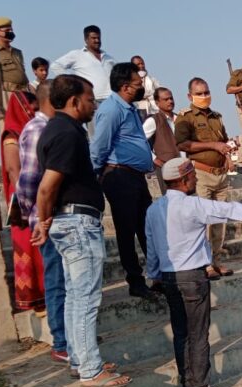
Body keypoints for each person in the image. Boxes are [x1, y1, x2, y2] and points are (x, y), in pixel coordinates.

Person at [145, 158, 242, 387]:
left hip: (169, 277)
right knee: (198, 334)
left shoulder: (154, 209)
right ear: (184, 179)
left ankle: (188, 382)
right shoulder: (193, 205)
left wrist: (154, 275)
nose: (196, 179)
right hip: (192, 277)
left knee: (181, 333)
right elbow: (228, 210)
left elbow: (152, 247)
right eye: (193, 177)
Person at [32, 74, 130, 387]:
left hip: (71, 221)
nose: (93, 105)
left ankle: (80, 361)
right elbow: (47, 187)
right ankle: (90, 369)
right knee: (85, 299)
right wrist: (43, 220)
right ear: (74, 101)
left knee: (75, 298)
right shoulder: (66, 133)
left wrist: (47, 220)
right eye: (90, 99)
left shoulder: (58, 129)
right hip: (76, 223)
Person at [90, 62, 155, 298]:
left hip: (135, 176)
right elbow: (99, 147)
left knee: (146, 227)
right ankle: (135, 281)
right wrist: (98, 176)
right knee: (127, 231)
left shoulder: (129, 108)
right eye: (138, 84)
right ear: (126, 87)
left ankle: (156, 276)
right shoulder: (111, 110)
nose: (141, 88)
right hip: (119, 175)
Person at [15, 82, 68, 363]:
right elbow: (29, 181)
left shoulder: (54, 128)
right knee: (57, 279)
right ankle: (60, 341)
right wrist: (34, 214)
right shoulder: (39, 129)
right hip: (48, 218)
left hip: (60, 216)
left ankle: (69, 338)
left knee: (67, 281)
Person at [175, 77, 236, 279]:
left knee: (220, 222)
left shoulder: (216, 116)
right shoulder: (185, 117)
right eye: (199, 93)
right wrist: (213, 146)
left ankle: (217, 261)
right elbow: (182, 144)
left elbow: (223, 140)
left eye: (206, 92)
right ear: (190, 95)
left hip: (221, 175)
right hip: (200, 174)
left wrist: (227, 155)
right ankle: (205, 264)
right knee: (205, 223)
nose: (204, 97)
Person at [1, 90, 45, 311]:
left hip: (33, 193)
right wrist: (25, 200)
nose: (35, 112)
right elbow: (13, 170)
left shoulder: (30, 131)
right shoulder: (12, 135)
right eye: (32, 108)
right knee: (29, 246)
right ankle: (35, 299)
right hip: (23, 198)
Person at [50, 25, 115, 136]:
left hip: (111, 100)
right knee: (96, 136)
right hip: (93, 101)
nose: (97, 41)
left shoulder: (108, 58)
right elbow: (56, 66)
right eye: (94, 38)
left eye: (99, 38)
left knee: (112, 134)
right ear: (86, 39)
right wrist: (73, 84)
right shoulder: (77, 55)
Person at [143, 87, 181, 193]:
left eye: (171, 98)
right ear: (157, 102)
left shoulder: (180, 119)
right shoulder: (154, 120)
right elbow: (140, 142)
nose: (170, 101)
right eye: (166, 99)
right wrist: (155, 159)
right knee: (171, 202)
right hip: (166, 168)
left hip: (184, 167)